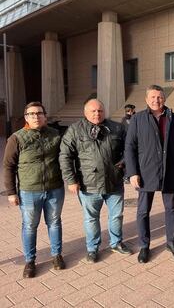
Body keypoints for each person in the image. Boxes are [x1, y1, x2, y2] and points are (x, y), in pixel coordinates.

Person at [59, 96, 132, 263]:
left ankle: (116, 242)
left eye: (100, 110)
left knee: (116, 216)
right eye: (93, 111)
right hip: (88, 184)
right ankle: (92, 249)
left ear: (104, 111)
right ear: (85, 113)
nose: (97, 114)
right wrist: (71, 180)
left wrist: (124, 162)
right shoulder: (75, 130)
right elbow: (65, 156)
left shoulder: (116, 127)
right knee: (91, 218)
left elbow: (129, 147)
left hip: (114, 182)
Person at [124, 85, 174, 263]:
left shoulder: (173, 118)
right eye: (152, 97)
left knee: (171, 209)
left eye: (159, 97)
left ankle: (171, 242)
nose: (156, 100)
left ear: (164, 99)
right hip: (145, 172)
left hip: (170, 171)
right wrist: (133, 173)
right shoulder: (137, 119)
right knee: (143, 211)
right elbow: (130, 147)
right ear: (146, 99)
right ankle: (144, 246)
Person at [3, 102, 65, 278]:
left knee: (54, 222)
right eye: (31, 114)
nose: (36, 116)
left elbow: (66, 157)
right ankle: (30, 261)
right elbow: (8, 166)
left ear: (45, 116)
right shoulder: (16, 138)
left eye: (39, 113)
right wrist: (11, 193)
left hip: (54, 189)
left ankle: (57, 255)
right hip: (29, 191)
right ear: (26, 118)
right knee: (30, 226)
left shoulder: (55, 135)